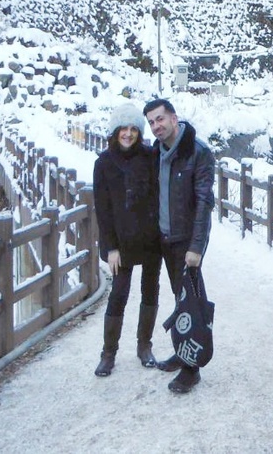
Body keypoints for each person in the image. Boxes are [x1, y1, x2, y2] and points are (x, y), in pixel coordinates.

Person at [143, 97, 215, 394]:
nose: (156, 126)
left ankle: (192, 367)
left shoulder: (197, 153)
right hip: (161, 238)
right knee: (177, 298)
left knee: (190, 303)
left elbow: (203, 204)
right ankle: (182, 352)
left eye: (160, 119)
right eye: (151, 122)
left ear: (174, 118)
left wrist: (196, 247)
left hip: (185, 241)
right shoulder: (155, 153)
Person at [92, 102, 162, 377]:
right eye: (124, 128)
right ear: (115, 130)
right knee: (118, 295)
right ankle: (108, 353)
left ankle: (144, 346)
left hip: (151, 239)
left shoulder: (150, 156)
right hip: (121, 243)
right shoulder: (104, 163)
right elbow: (103, 208)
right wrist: (110, 247)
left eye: (134, 128)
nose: (129, 134)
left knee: (150, 292)